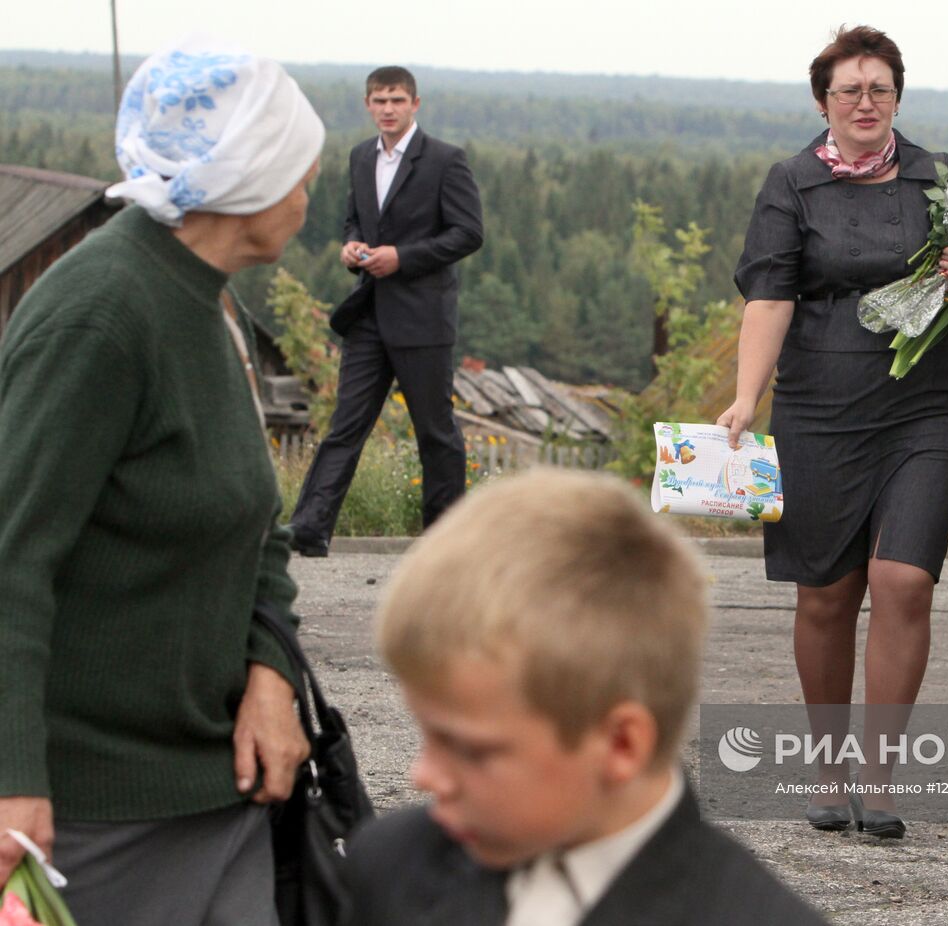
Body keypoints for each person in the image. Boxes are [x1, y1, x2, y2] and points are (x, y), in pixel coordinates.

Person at [0, 39, 323, 924]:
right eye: (300, 169)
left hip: (217, 794)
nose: (311, 192)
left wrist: (269, 671)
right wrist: (11, 784)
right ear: (247, 183)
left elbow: (258, 523)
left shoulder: (206, 297)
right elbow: (9, 560)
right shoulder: (100, 316)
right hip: (90, 817)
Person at [717, 25, 948, 839]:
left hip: (928, 404)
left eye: (879, 88)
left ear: (897, 98)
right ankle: (828, 771)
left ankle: (878, 782)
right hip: (818, 406)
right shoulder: (790, 183)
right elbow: (769, 298)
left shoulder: (944, 179)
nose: (864, 102)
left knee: (902, 582)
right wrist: (746, 399)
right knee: (827, 595)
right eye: (849, 89)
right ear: (824, 101)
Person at [341, 469, 828, 925]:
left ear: (621, 745)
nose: (423, 775)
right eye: (426, 733)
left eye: (471, 749)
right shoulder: (388, 865)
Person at [287, 66, 484, 557]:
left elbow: (468, 232)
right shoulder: (360, 157)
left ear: (416, 104)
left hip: (423, 319)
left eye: (397, 100)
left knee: (435, 431)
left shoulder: (445, 160)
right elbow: (357, 217)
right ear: (368, 104)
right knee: (345, 426)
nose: (388, 109)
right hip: (369, 314)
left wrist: (402, 257)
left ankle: (446, 541)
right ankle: (308, 528)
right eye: (380, 101)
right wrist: (351, 245)